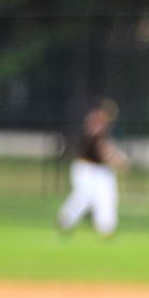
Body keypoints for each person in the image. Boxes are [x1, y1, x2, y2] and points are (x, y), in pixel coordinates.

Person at [56, 99, 128, 236]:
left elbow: (107, 149)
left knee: (106, 196)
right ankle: (65, 220)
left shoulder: (101, 130)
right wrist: (117, 160)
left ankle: (106, 227)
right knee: (84, 196)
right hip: (87, 167)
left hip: (100, 170)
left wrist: (117, 158)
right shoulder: (94, 125)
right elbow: (103, 151)